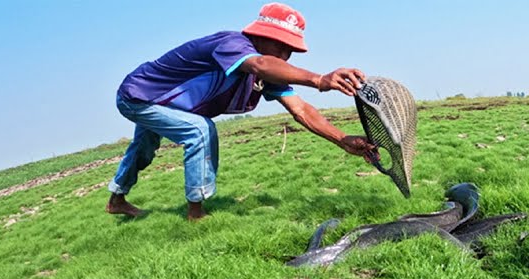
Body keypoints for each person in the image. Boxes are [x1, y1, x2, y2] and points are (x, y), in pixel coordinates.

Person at [105, 3, 378, 220]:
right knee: (199, 130)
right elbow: (259, 63)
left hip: (162, 105)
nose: (284, 55)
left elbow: (301, 110)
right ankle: (196, 214)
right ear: (260, 35)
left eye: (290, 49)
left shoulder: (269, 70)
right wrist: (319, 79)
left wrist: (342, 139)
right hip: (140, 95)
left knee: (143, 147)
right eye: (280, 45)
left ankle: (116, 200)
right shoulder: (231, 44)